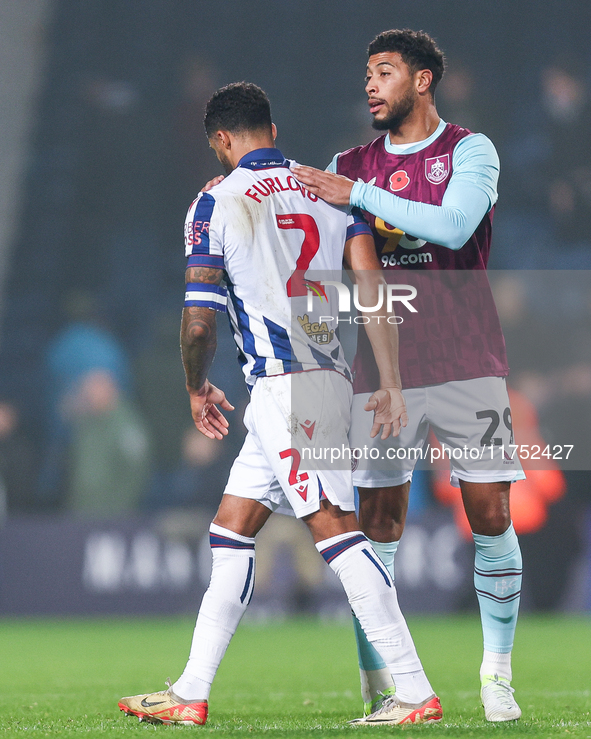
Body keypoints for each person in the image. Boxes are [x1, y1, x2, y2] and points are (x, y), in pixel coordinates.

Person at [118, 82, 442, 727]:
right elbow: (372, 286)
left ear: (220, 140)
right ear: (272, 126)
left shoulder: (216, 201)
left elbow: (200, 321)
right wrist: (393, 379)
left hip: (285, 390)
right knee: (231, 532)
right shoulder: (327, 189)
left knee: (334, 531)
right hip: (323, 379)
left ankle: (413, 690)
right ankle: (190, 691)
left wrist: (195, 385)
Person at [291, 29, 524, 723]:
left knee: (489, 510)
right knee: (379, 522)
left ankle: (497, 673)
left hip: (467, 362)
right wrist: (238, 188)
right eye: (366, 72)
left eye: (384, 72)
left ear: (421, 81)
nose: (370, 84)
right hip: (381, 370)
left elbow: (453, 228)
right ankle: (384, 682)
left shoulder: (467, 150)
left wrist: (357, 194)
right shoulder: (348, 162)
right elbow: (300, 218)